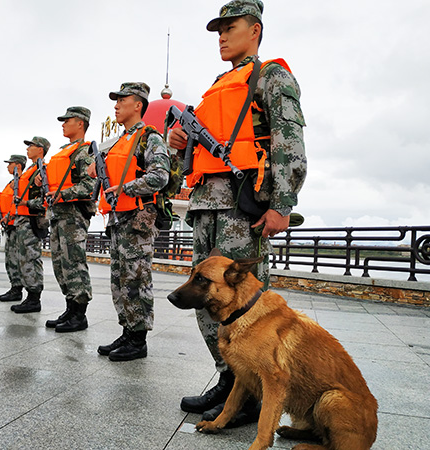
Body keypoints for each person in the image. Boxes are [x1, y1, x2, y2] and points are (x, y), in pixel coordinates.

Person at [168, 0, 307, 425]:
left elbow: (289, 142)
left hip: (242, 206)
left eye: (231, 27)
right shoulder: (218, 84)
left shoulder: (271, 76)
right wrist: (180, 144)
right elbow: (206, 147)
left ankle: (251, 394)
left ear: (256, 30)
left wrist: (282, 204)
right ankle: (231, 380)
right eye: (218, 30)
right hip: (206, 206)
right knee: (204, 301)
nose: (222, 36)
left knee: (245, 308)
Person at [92, 82, 170, 361]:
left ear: (138, 105)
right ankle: (127, 331)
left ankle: (138, 340)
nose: (116, 105)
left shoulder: (150, 138)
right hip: (118, 220)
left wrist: (125, 188)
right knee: (119, 280)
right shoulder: (122, 140)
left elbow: (161, 176)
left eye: (121, 100)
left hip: (137, 220)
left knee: (137, 279)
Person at [41, 106, 96, 332]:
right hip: (58, 215)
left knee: (73, 262)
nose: (63, 124)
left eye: (67, 120)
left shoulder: (85, 152)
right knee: (60, 264)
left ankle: (79, 314)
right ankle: (70, 307)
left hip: (74, 215)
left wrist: (62, 194)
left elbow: (90, 186)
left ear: (80, 123)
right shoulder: (65, 151)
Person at [9, 137, 51, 313]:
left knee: (31, 259)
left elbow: (44, 200)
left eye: (31, 146)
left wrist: (27, 204)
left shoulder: (43, 169)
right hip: (22, 219)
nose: (28, 149)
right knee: (22, 258)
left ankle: (34, 298)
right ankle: (28, 295)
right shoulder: (31, 170)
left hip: (32, 219)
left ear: (40, 149)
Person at [0, 154, 28, 303]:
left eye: (10, 164)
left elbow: (18, 202)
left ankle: (21, 290)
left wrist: (9, 215)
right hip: (8, 225)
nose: (7, 166)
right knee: (10, 259)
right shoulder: (11, 182)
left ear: (18, 165)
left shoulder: (21, 182)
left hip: (17, 223)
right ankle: (15, 288)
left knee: (19, 259)